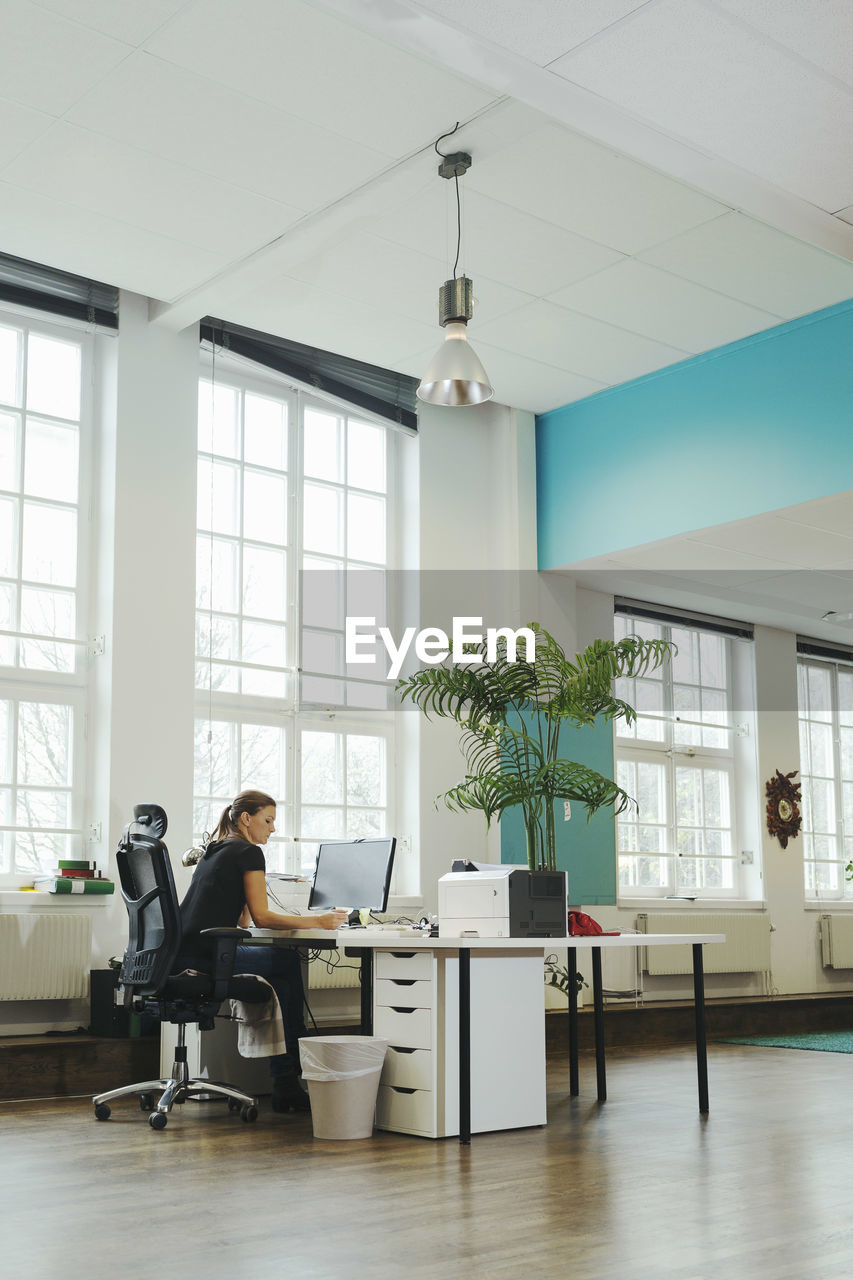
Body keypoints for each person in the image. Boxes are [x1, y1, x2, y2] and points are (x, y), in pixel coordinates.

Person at [175, 789, 348, 1113]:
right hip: (207, 959)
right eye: (267, 820)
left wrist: (242, 895)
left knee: (280, 979)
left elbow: (241, 918)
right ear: (246, 818)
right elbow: (262, 918)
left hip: (182, 956)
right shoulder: (247, 852)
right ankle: (290, 1075)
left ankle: (286, 1081)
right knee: (284, 962)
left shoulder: (216, 849)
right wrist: (321, 921)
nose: (272, 828)